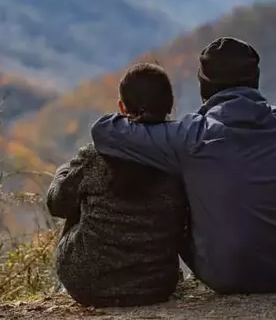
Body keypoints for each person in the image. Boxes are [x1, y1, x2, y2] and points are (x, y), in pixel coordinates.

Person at [91, 37, 276, 294]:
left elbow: (104, 131)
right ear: (255, 80)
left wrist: (150, 121)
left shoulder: (193, 136)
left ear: (204, 87)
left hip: (225, 273)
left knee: (183, 176)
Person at [47, 63, 188, 307]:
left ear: (121, 107)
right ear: (170, 106)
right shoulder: (180, 157)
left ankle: (68, 286)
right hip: (156, 285)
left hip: (87, 284)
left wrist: (64, 172)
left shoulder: (96, 156)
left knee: (78, 195)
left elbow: (56, 204)